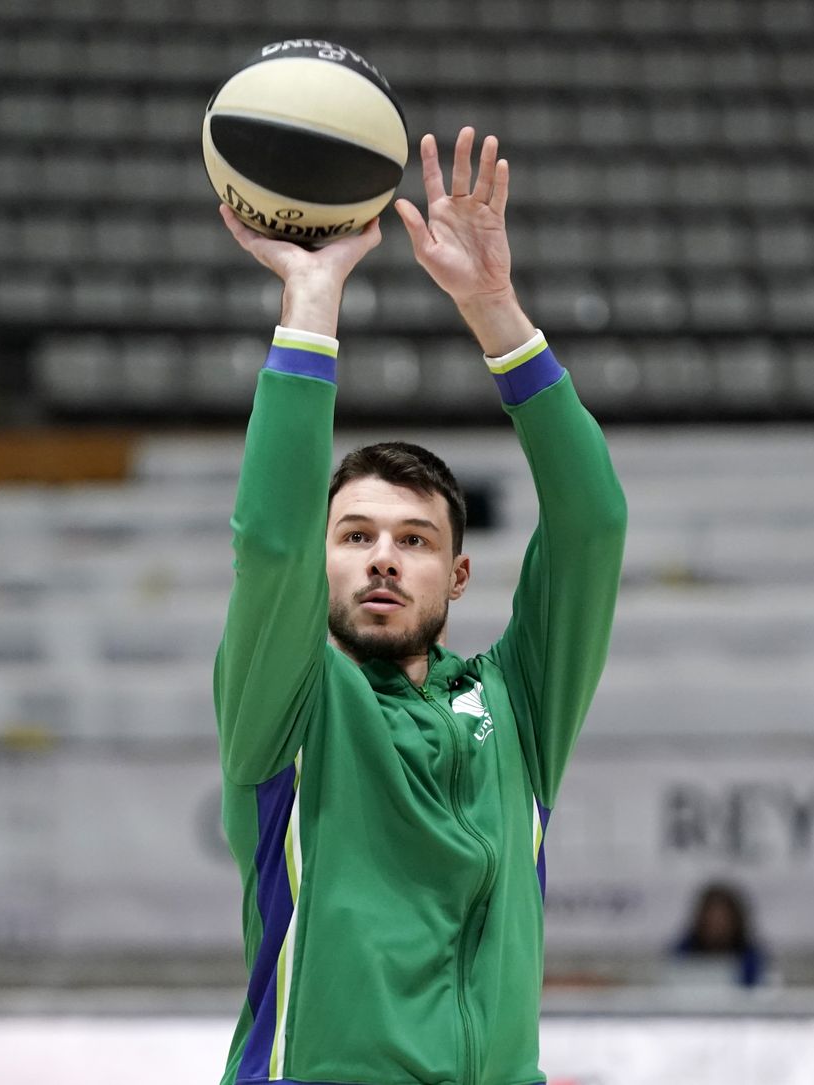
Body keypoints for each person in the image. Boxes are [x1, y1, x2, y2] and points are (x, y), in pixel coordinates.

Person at [212, 127, 627, 1085]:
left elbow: (593, 525)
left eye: (415, 539)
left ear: (459, 576)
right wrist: (311, 300)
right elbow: (270, 542)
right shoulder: (291, 705)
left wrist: (494, 310)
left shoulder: (516, 704)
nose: (383, 559)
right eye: (354, 536)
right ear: (322, 569)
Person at [670, 881, 768, 987]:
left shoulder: (752, 957)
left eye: (722, 920)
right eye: (711, 919)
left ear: (735, 921)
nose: (717, 926)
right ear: (701, 920)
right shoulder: (681, 954)